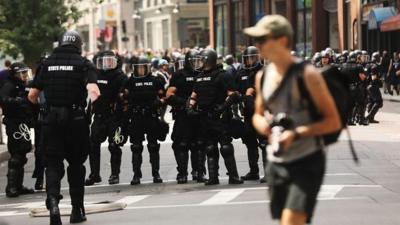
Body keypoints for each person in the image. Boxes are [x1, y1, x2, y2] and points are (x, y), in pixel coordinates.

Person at [244, 15, 341, 225]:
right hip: (276, 161)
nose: (257, 45)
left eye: (262, 40)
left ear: (282, 41)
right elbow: (258, 114)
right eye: (256, 40)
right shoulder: (263, 76)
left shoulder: (307, 75)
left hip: (307, 159)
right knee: (285, 221)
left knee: (292, 222)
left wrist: (297, 133)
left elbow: (333, 122)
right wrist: (267, 129)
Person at [28, 30, 100, 225]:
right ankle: (77, 211)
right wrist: (91, 110)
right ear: (78, 45)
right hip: (75, 120)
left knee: (53, 164)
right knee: (76, 165)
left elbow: (32, 95)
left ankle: (53, 204)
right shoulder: (84, 64)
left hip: (51, 120)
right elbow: (94, 91)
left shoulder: (46, 63)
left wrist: (43, 110)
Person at [187, 48, 243, 185]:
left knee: (225, 146)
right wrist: (189, 108)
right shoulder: (199, 77)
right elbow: (193, 96)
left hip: (220, 116)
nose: (199, 63)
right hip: (205, 117)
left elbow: (232, 94)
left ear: (208, 60)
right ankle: (213, 177)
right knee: (210, 148)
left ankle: (233, 176)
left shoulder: (222, 75)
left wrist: (223, 107)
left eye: (202, 60)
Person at [85, 50, 128, 186]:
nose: (108, 63)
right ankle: (94, 174)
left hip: (114, 116)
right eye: (105, 60)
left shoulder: (121, 76)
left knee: (114, 145)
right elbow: (91, 95)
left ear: (115, 62)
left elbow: (125, 97)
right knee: (93, 145)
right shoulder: (96, 75)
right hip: (98, 116)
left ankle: (114, 174)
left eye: (110, 60)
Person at [123, 56, 165, 185]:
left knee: (153, 146)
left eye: (143, 68)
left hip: (151, 116)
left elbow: (163, 98)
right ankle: (136, 174)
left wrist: (160, 111)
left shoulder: (155, 80)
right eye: (139, 68)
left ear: (148, 68)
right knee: (136, 147)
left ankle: (156, 173)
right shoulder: (130, 81)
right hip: (136, 117)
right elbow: (123, 97)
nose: (141, 70)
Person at [166, 49, 205, 184]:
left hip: (200, 114)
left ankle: (199, 172)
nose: (197, 64)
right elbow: (169, 95)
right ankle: (182, 173)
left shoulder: (204, 73)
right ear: (188, 62)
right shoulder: (179, 75)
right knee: (181, 145)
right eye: (194, 61)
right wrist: (184, 103)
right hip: (183, 114)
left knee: (199, 144)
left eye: (199, 61)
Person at [0, 62, 35, 198]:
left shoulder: (22, 85)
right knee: (16, 154)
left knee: (23, 152)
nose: (26, 76)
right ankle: (12, 187)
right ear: (16, 74)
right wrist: (17, 101)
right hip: (13, 123)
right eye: (23, 73)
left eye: (26, 73)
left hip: (22, 122)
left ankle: (18, 186)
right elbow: (3, 99)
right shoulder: (9, 85)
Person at [233, 46, 267, 182]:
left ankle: (269, 172)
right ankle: (254, 171)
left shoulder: (263, 72)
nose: (249, 61)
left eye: (252, 58)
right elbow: (234, 90)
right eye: (247, 58)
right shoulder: (240, 73)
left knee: (264, 143)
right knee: (250, 143)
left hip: (261, 113)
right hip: (247, 113)